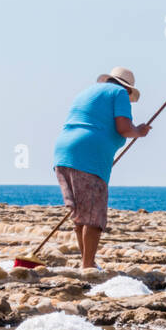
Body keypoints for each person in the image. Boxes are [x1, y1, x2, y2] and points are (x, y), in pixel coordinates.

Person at [53, 67, 150, 268]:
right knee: (94, 216)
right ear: (128, 88)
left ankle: (87, 263)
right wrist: (139, 131)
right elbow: (123, 128)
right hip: (89, 156)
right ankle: (88, 266)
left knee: (81, 215)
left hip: (64, 154)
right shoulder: (119, 93)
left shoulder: (88, 92)